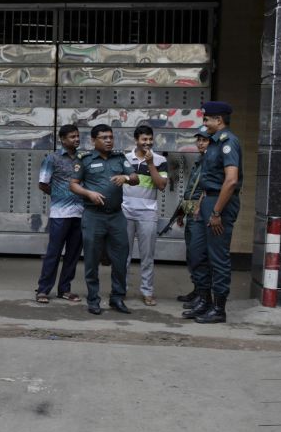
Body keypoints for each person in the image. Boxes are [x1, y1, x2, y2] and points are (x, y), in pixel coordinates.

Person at [70, 124, 139, 315]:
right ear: (93, 140)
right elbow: (73, 185)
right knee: (92, 259)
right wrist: (88, 193)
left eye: (110, 137)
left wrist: (125, 177)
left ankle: (117, 298)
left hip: (116, 216)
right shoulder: (84, 160)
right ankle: (93, 299)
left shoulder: (119, 158)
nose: (109, 140)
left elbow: (135, 178)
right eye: (104, 137)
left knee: (120, 259)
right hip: (94, 216)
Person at [188, 101, 242, 324]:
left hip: (222, 203)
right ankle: (204, 300)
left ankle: (219, 309)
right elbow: (208, 179)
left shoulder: (228, 142)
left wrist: (217, 212)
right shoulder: (212, 143)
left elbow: (230, 181)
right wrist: (201, 204)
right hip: (208, 200)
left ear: (218, 120)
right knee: (198, 253)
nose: (204, 123)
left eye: (207, 119)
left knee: (218, 258)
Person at [34, 125, 83, 304]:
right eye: (72, 137)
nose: (76, 139)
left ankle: (65, 290)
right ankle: (43, 290)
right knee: (53, 253)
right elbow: (43, 184)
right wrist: (60, 195)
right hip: (60, 214)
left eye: (77, 136)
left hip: (79, 213)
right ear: (62, 139)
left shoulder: (82, 159)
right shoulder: (52, 158)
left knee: (73, 255)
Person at [122, 125, 169, 306]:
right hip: (125, 211)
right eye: (144, 139)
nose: (148, 143)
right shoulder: (125, 159)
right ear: (136, 140)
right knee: (123, 254)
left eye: (150, 139)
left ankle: (147, 292)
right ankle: (121, 289)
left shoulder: (159, 160)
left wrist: (150, 164)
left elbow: (161, 185)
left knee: (147, 255)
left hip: (148, 213)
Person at [179, 126, 213, 311]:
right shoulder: (201, 160)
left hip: (201, 213)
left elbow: (204, 190)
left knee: (199, 255)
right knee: (192, 254)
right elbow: (191, 190)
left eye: (204, 140)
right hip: (192, 212)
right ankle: (197, 290)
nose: (200, 143)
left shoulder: (211, 161)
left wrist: (197, 208)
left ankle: (203, 295)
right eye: (198, 139)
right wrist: (182, 212)